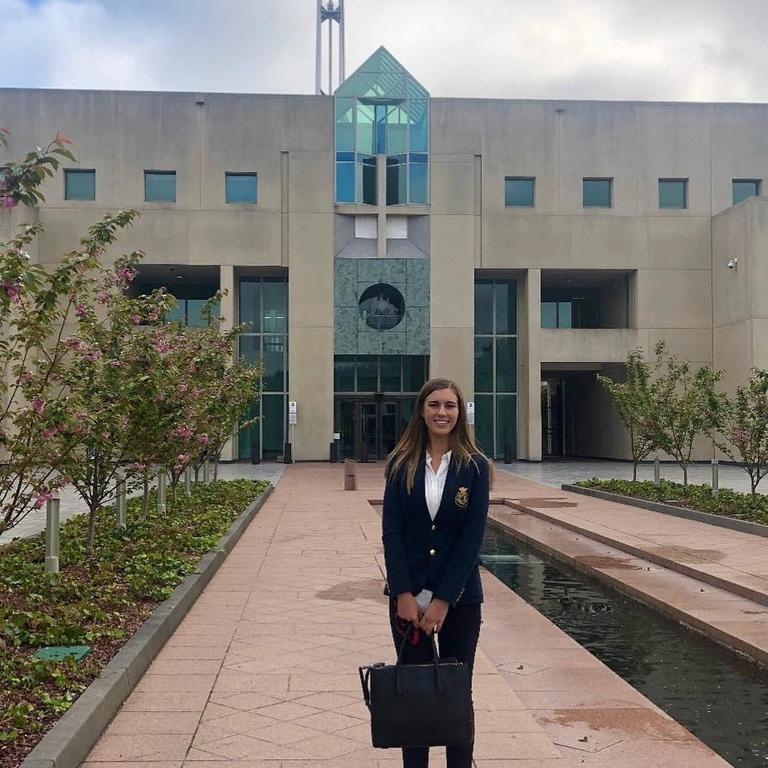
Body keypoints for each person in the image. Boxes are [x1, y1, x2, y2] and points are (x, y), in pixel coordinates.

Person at [382, 377, 492, 768]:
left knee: (456, 691)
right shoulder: (401, 463)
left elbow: (471, 539)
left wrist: (444, 599)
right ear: (421, 411)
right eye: (434, 405)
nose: (442, 413)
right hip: (409, 602)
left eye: (449, 405)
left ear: (460, 413)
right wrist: (403, 593)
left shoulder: (475, 466)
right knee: (414, 692)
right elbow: (392, 532)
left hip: (460, 601)